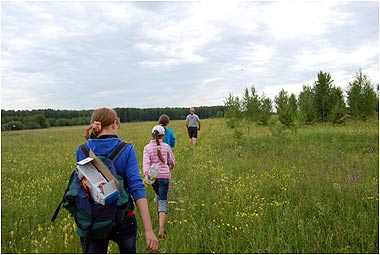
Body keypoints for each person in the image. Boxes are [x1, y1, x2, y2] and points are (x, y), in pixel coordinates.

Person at [77, 107, 158, 253]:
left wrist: (89, 141)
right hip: (123, 218)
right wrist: (148, 230)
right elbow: (136, 187)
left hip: (93, 220)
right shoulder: (126, 149)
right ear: (115, 123)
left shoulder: (81, 150)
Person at [143, 125, 175, 240]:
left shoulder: (147, 148)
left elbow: (146, 163)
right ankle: (161, 230)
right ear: (163, 135)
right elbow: (172, 161)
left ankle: (159, 219)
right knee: (162, 199)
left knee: (157, 196)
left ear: (152, 134)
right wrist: (172, 166)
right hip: (164, 177)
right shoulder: (166, 147)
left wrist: (146, 176)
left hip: (153, 177)